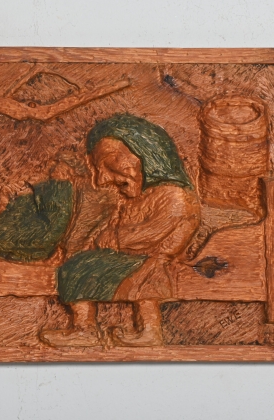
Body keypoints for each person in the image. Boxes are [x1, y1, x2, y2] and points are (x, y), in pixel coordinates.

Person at [40, 114, 201, 347]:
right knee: (78, 265)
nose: (102, 179)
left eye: (109, 162)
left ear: (145, 153)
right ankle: (86, 329)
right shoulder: (137, 197)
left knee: (82, 268)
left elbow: (153, 232)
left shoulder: (174, 196)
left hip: (152, 260)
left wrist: (116, 238)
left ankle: (145, 331)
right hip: (133, 257)